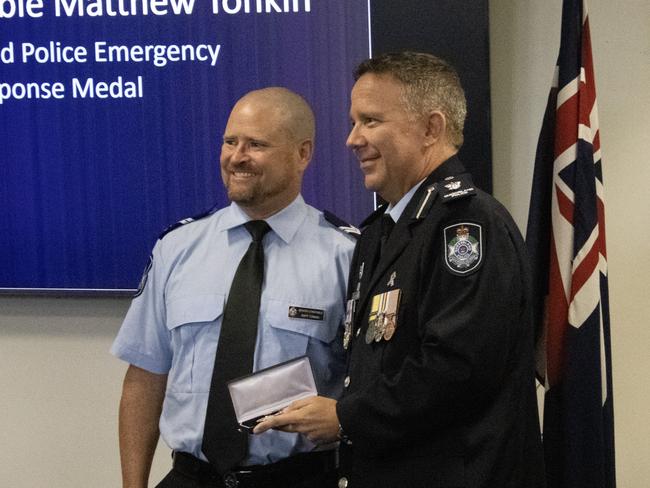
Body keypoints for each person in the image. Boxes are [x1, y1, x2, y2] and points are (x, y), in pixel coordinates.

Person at [255, 52, 546, 487]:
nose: (353, 139)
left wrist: (345, 417)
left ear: (432, 128)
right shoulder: (381, 231)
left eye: (371, 121)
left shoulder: (466, 226)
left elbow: (456, 370)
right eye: (354, 122)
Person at [111, 87, 357, 488]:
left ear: (302, 154)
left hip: (297, 478)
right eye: (230, 141)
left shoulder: (346, 254)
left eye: (256, 144)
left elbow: (367, 389)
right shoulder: (178, 247)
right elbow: (145, 377)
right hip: (193, 476)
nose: (236, 157)